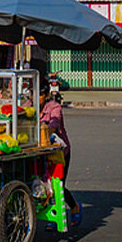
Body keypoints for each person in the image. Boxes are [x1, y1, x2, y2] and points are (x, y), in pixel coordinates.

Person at [40, 90, 82, 228]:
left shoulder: (55, 107)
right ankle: (52, 213)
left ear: (45, 96)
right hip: (40, 153)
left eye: (39, 96)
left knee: (58, 185)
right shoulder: (30, 105)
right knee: (44, 184)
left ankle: (74, 206)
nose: (35, 99)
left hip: (59, 153)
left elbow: (54, 125)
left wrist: (42, 130)